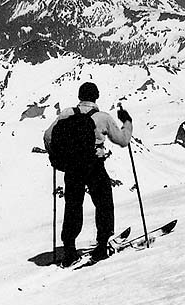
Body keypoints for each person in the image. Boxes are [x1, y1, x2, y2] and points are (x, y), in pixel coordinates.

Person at [51, 82, 133, 266]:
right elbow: (123, 140)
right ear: (96, 96)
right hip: (94, 164)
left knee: (73, 205)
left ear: (79, 96)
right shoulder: (102, 117)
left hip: (72, 166)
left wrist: (61, 156)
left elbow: (49, 136)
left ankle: (69, 250)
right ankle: (102, 246)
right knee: (103, 202)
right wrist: (127, 122)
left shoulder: (66, 114)